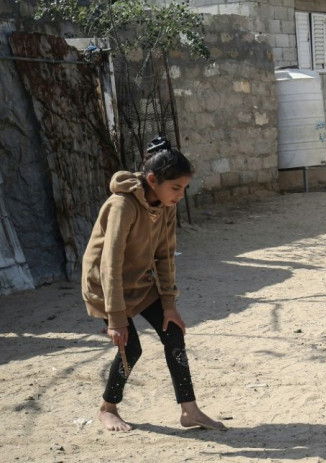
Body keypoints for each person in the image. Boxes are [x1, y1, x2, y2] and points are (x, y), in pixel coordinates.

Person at [82, 137, 225, 431]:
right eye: (176, 188)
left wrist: (169, 304)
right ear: (152, 179)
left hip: (139, 281)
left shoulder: (166, 206)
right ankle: (108, 407)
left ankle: (190, 410)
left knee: (173, 331)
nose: (180, 195)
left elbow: (165, 255)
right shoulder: (122, 205)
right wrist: (117, 319)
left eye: (184, 188)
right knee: (130, 347)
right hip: (105, 286)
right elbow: (110, 263)